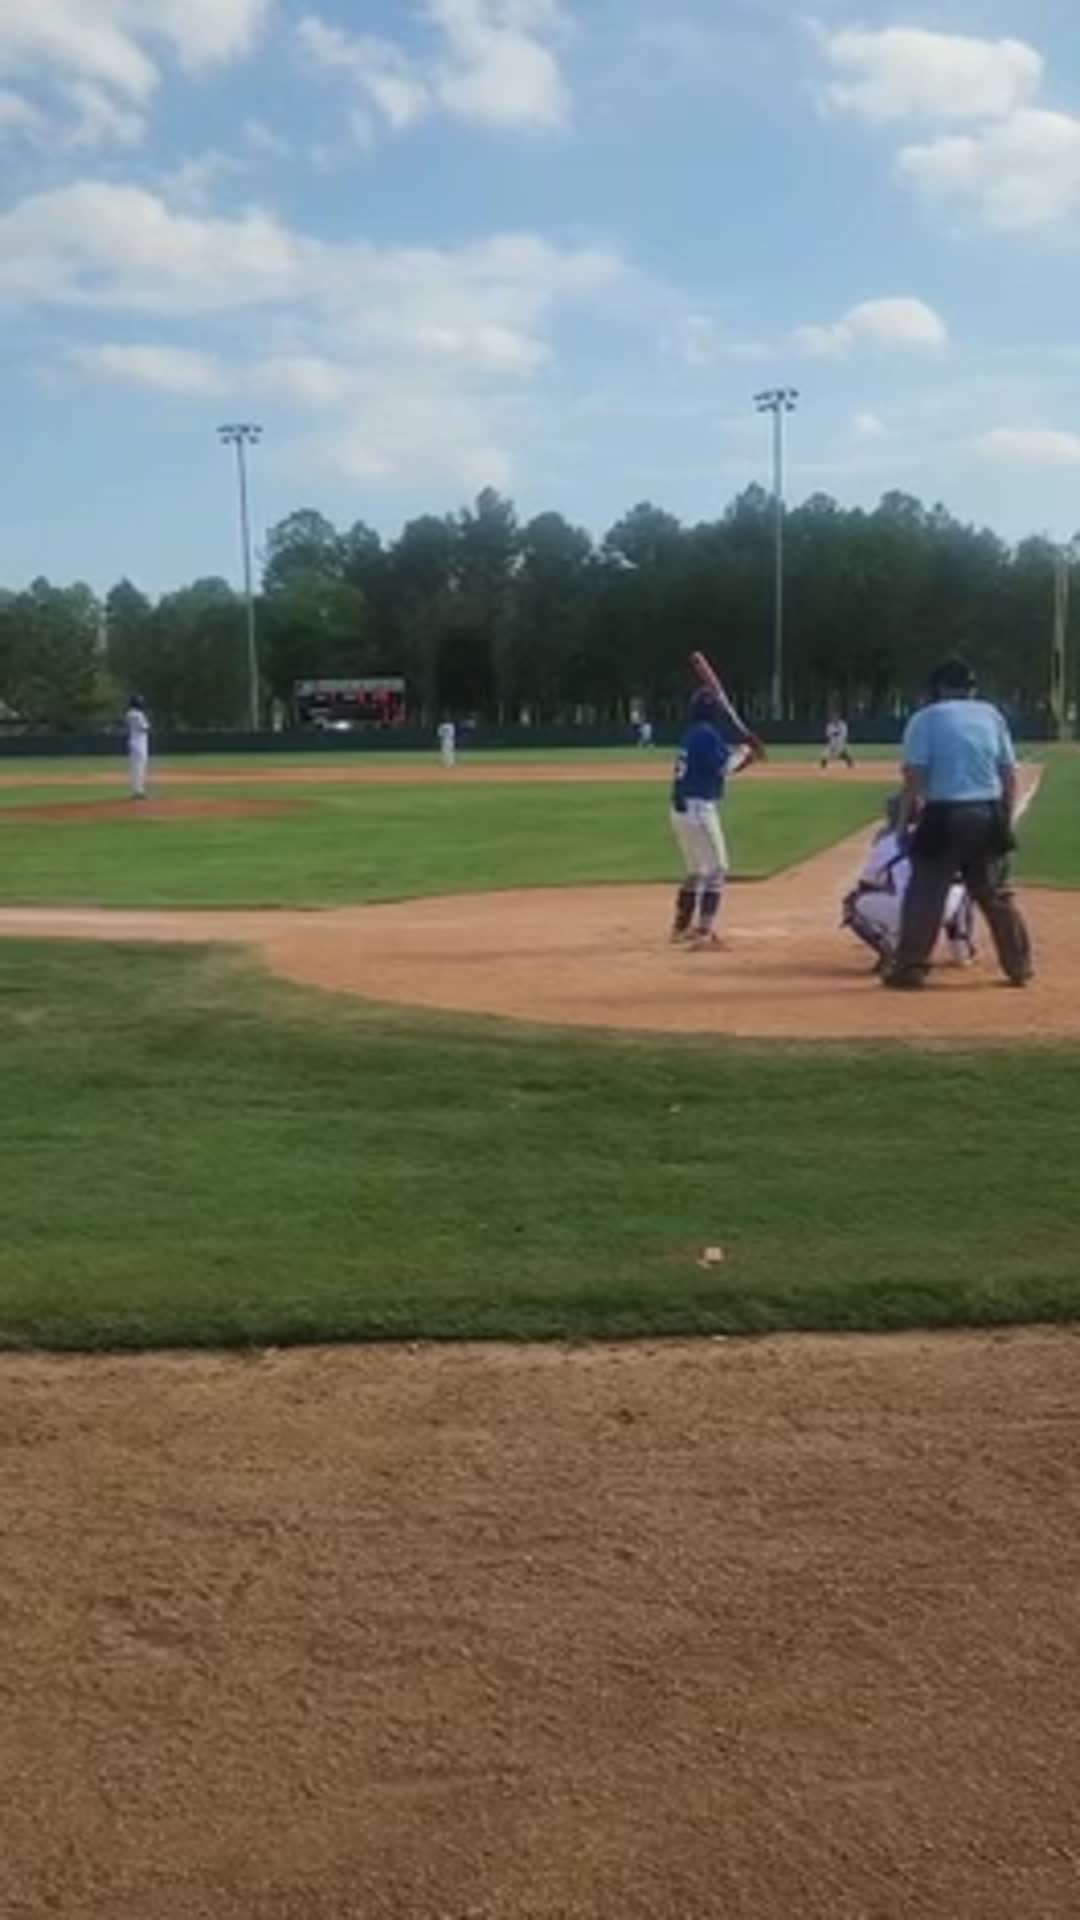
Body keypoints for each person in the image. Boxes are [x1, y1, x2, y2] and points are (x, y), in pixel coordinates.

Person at [885, 659, 1032, 990]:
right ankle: (1019, 967)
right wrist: (1003, 820)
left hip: (945, 814)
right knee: (994, 894)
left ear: (937, 689)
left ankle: (910, 967)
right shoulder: (992, 715)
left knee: (926, 891)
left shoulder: (925, 719)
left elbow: (914, 779)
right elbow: (1008, 775)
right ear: (972, 689)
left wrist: (901, 824)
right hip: (988, 808)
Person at [842, 793, 975, 973]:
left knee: (852, 903)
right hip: (941, 910)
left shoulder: (887, 842)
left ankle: (892, 949)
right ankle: (961, 950)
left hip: (904, 911)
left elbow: (868, 883)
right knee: (963, 889)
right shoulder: (945, 838)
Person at [670, 688, 754, 949]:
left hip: (681, 808)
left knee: (696, 871)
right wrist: (745, 752)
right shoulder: (707, 735)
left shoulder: (693, 734)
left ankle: (680, 928)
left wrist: (746, 757)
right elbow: (725, 767)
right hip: (698, 808)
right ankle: (704, 932)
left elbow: (723, 767)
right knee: (717, 869)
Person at [125, 694, 150, 801]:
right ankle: (139, 792)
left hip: (132, 742)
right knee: (140, 767)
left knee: (134, 768)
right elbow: (145, 728)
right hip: (140, 743)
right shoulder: (139, 715)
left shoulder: (128, 714)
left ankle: (136, 790)